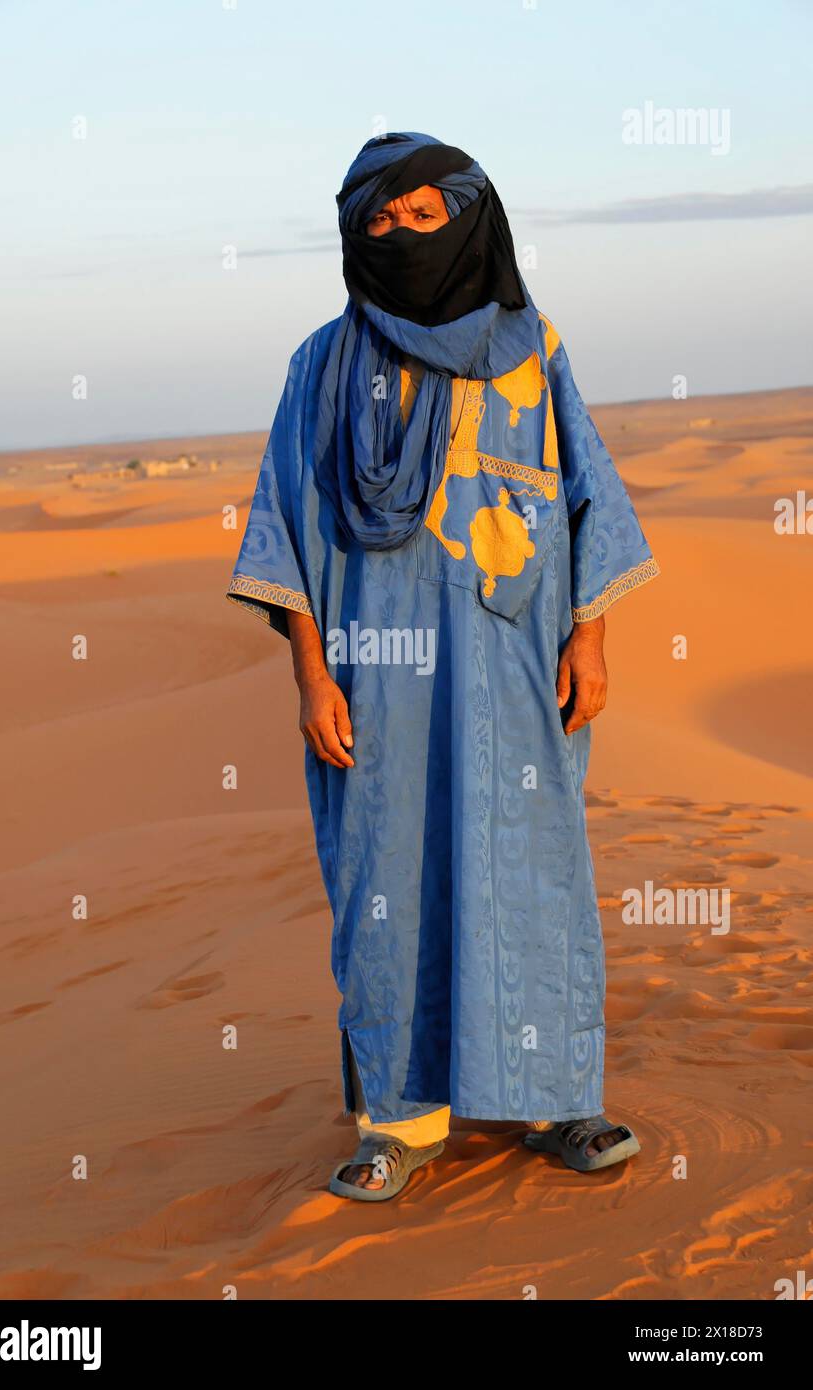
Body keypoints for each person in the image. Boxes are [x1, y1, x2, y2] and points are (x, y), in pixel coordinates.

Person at [227, 132, 659, 1201]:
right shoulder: (320, 366)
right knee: (385, 881)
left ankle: (558, 1099)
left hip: (518, 671)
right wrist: (310, 677)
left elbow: (587, 500)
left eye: (427, 213)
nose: (405, 233)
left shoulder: (531, 348)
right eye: (382, 217)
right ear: (352, 233)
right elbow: (285, 527)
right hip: (374, 680)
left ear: (473, 220)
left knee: (533, 870)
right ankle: (398, 1121)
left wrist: (591, 637)